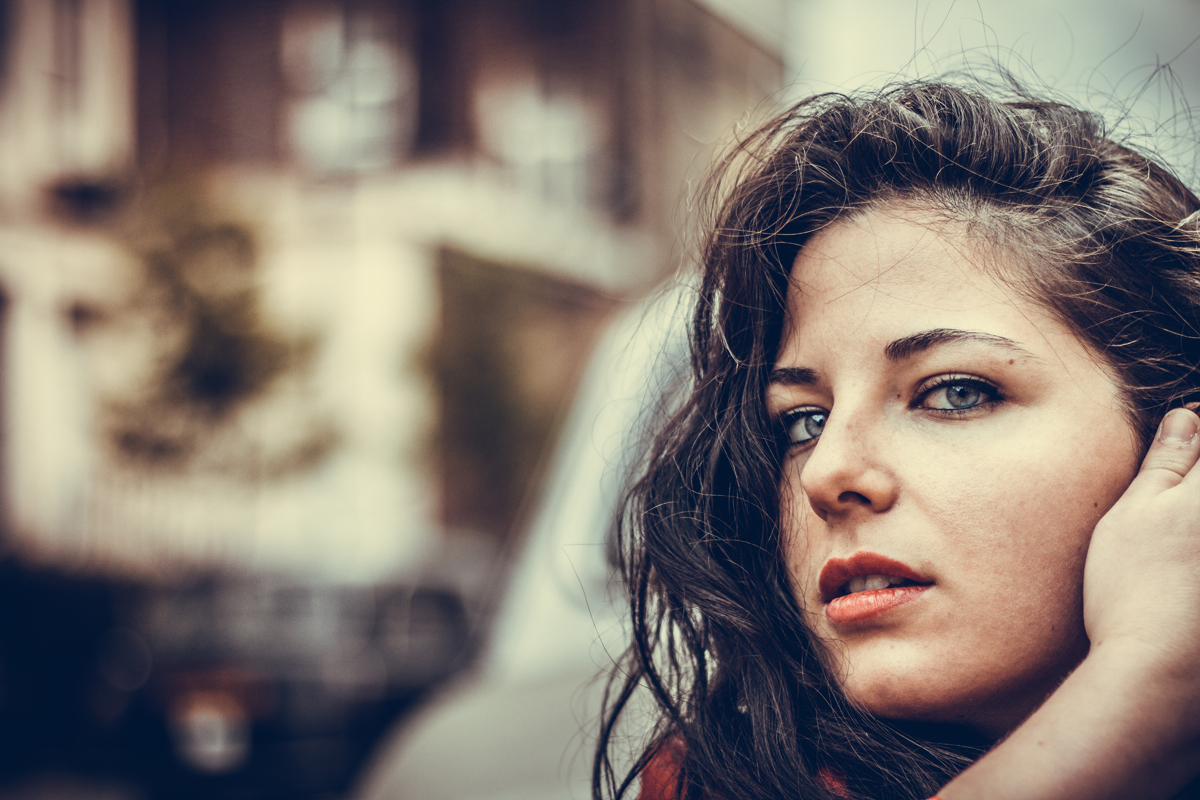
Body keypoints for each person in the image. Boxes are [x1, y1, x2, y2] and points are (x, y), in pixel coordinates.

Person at [594, 80, 1200, 800]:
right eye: (802, 421)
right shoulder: (719, 782)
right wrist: (1141, 688)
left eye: (954, 393)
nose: (827, 471)